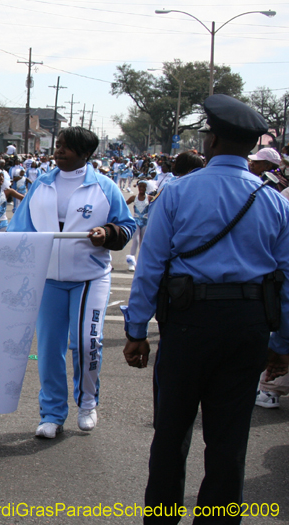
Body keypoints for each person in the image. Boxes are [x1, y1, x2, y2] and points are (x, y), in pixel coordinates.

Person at [122, 94, 289, 523]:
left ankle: (161, 518)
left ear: (211, 141)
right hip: (248, 328)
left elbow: (150, 268)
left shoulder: (178, 192)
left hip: (187, 325)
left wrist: (137, 329)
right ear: (250, 146)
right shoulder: (274, 201)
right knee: (229, 440)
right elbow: (286, 279)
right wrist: (282, 342)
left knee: (171, 434)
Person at [9, 126, 135, 438]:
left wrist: (108, 234)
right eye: (59, 145)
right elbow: (18, 227)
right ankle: (52, 413)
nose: (59, 151)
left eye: (66, 147)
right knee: (50, 349)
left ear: (84, 153)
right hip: (49, 279)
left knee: (86, 342)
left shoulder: (104, 187)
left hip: (89, 278)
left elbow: (127, 226)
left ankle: (88, 402)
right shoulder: (42, 183)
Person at [125, 180, 150, 271]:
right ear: (138, 187)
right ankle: (131, 261)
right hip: (136, 221)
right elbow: (123, 204)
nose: (142, 189)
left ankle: (142, 262)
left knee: (143, 242)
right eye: (140, 187)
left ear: (147, 188)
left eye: (144, 187)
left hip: (146, 222)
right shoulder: (133, 198)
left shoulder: (150, 198)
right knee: (135, 240)